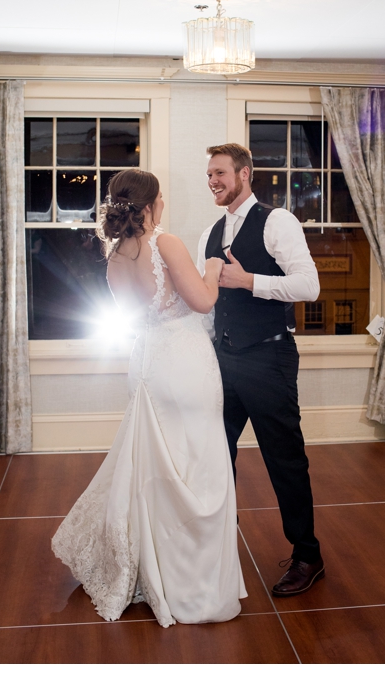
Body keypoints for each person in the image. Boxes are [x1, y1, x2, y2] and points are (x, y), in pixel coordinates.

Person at [51, 170, 245, 626]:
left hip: (147, 363)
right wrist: (213, 271)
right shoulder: (166, 242)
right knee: (200, 465)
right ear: (153, 204)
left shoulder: (115, 256)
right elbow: (200, 301)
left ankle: (154, 566)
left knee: (159, 467)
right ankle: (193, 583)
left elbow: (137, 314)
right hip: (185, 362)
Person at [200, 143, 328, 595]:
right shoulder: (210, 233)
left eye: (220, 172)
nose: (213, 180)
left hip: (269, 357)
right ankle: (217, 544)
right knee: (215, 454)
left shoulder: (277, 221)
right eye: (209, 174)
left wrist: (250, 280)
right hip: (223, 359)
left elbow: (308, 286)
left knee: (284, 459)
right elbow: (206, 307)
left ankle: (307, 555)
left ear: (244, 173)